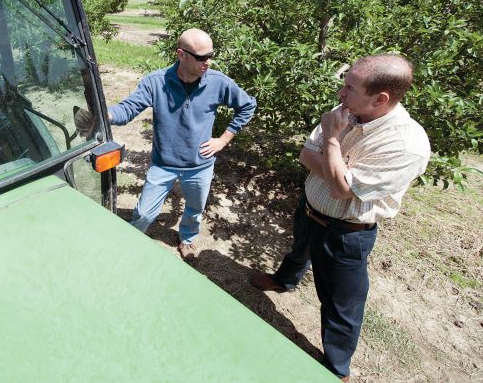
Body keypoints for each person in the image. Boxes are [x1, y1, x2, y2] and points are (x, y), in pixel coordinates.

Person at [250, 54, 430, 381]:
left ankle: (336, 368)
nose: (340, 94)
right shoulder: (343, 113)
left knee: (341, 306)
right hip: (310, 209)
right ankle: (284, 280)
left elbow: (340, 190)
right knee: (298, 250)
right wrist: (337, 172)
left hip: (346, 233)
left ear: (380, 99)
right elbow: (307, 155)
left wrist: (332, 142)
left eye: (349, 87)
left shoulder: (405, 144)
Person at [107, 28, 256, 259]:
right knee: (144, 214)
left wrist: (224, 139)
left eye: (210, 55)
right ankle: (131, 242)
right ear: (181, 54)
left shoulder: (218, 83)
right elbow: (128, 108)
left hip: (200, 165)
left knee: (195, 210)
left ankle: (187, 239)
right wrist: (105, 115)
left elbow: (247, 105)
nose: (208, 62)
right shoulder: (156, 82)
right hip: (163, 163)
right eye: (201, 57)